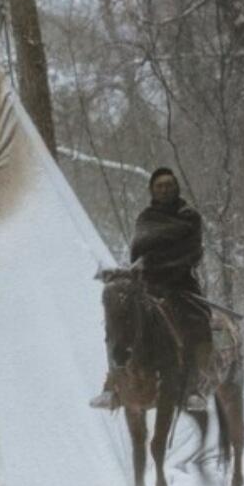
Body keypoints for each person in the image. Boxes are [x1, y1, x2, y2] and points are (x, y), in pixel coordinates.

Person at [90, 166, 212, 412]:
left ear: (176, 188)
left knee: (196, 321)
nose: (164, 189)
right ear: (152, 191)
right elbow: (138, 252)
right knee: (118, 315)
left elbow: (192, 252)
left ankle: (193, 386)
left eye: (168, 185)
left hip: (180, 283)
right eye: (159, 186)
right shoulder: (145, 218)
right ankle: (113, 383)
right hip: (147, 284)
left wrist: (159, 266)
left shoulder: (189, 217)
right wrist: (135, 272)